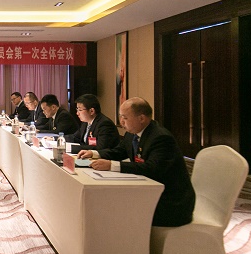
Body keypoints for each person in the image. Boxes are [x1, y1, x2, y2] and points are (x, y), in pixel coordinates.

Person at [77, 97, 196, 227]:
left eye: (125, 118)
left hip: (170, 202)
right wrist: (94, 153)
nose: (121, 122)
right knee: (110, 203)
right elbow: (119, 151)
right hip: (148, 191)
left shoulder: (160, 137)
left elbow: (151, 168)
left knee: (116, 209)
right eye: (120, 117)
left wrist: (112, 165)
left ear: (141, 118)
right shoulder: (131, 134)